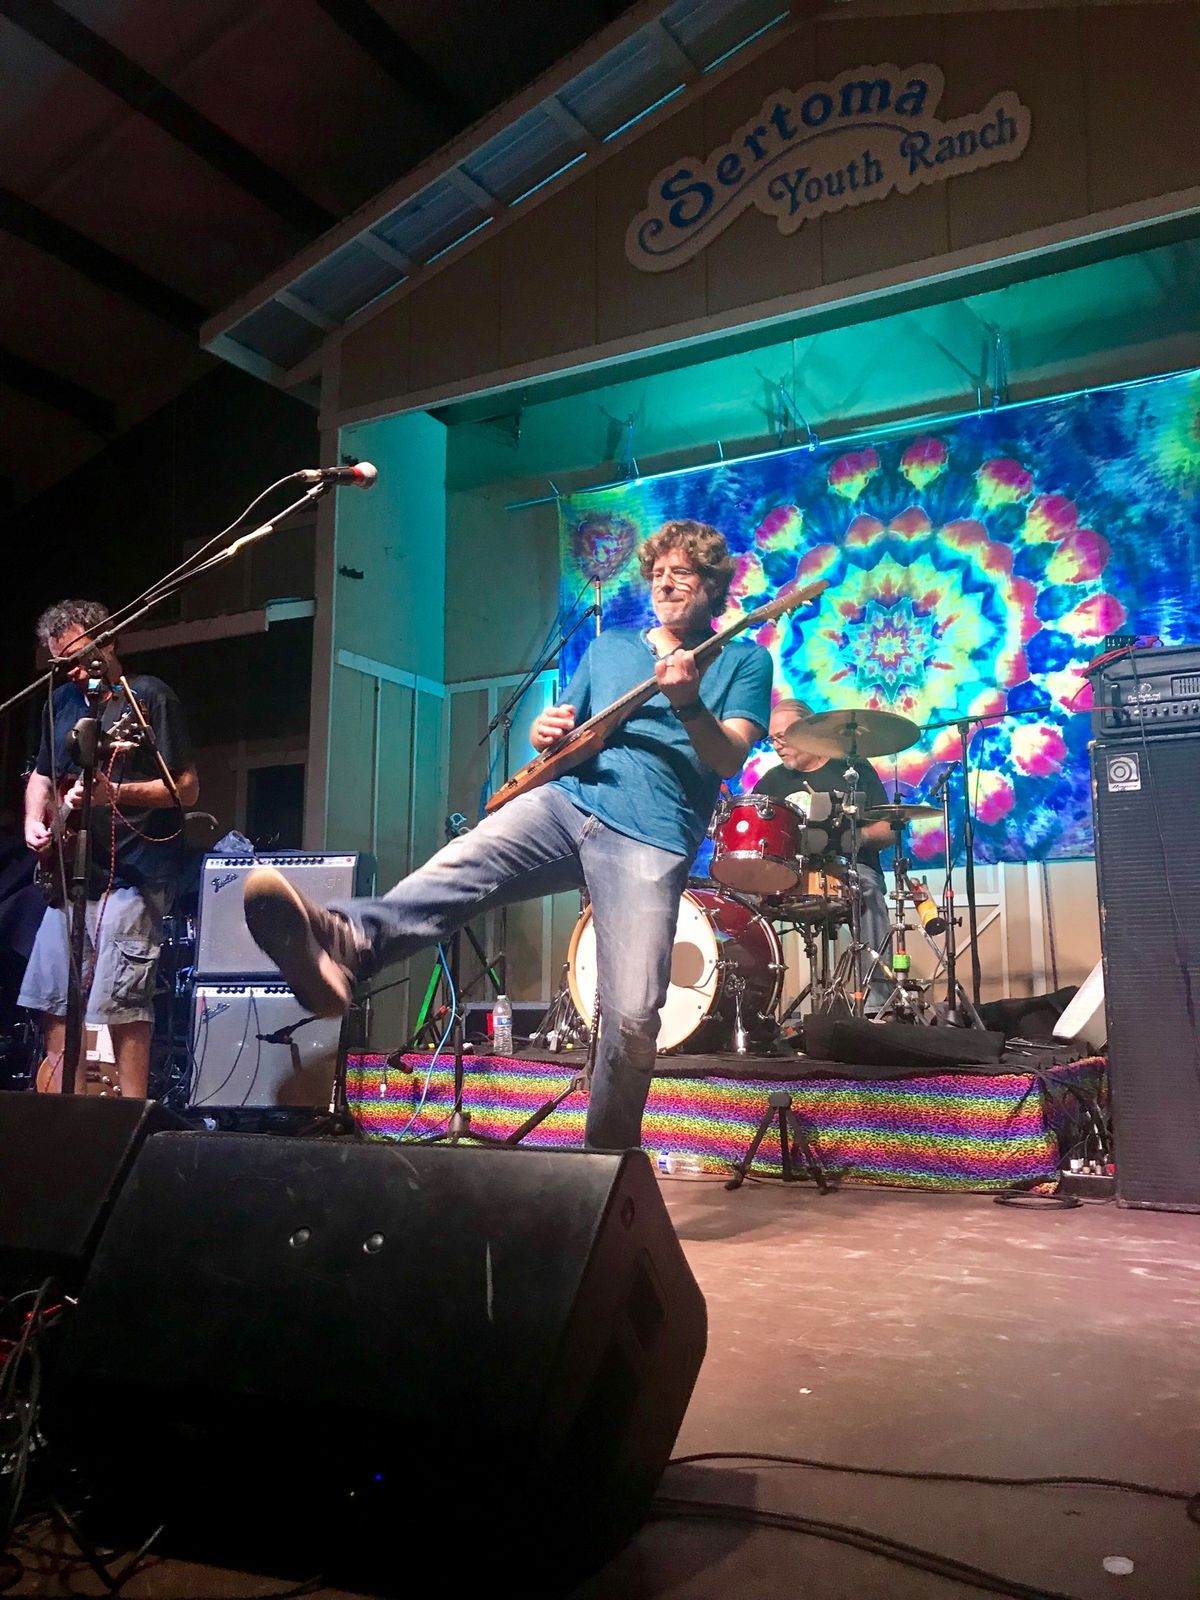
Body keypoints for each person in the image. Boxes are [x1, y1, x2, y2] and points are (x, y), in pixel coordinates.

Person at [243, 520, 773, 1150]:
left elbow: (727, 757)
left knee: (632, 1016)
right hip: (569, 803)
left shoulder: (744, 659)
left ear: (713, 585)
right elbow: (569, 737)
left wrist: (687, 703)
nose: (664, 583)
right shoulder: (609, 649)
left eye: (681, 573)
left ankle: (606, 1162)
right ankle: (348, 942)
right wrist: (546, 733)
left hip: (651, 838)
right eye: (657, 573)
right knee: (463, 863)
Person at [20, 599, 199, 1098]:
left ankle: (129, 1121)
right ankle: (65, 1121)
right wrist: (34, 821)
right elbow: (42, 774)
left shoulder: (147, 698)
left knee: (122, 1006)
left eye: (80, 658)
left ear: (109, 641)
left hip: (135, 875)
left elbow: (186, 790)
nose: (74, 671)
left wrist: (114, 793)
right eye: (62, 663)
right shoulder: (60, 702)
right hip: (71, 875)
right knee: (55, 1003)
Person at [754, 698, 896, 1012]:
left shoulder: (853, 770)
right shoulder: (771, 783)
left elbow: (888, 829)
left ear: (807, 731)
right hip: (791, 875)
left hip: (849, 871)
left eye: (782, 737)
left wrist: (856, 837)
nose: (776, 746)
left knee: (868, 889)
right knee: (745, 902)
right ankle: (751, 1006)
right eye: (771, 739)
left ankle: (878, 1003)